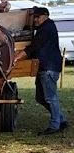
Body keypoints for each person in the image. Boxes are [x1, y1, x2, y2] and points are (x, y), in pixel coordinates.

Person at [15, 7, 68, 136]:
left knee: (50, 98)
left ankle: (55, 125)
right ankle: (61, 119)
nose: (35, 20)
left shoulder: (46, 29)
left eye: (38, 17)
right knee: (40, 97)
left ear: (45, 16)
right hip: (44, 67)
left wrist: (15, 57)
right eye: (35, 18)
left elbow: (33, 47)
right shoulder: (46, 27)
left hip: (48, 68)